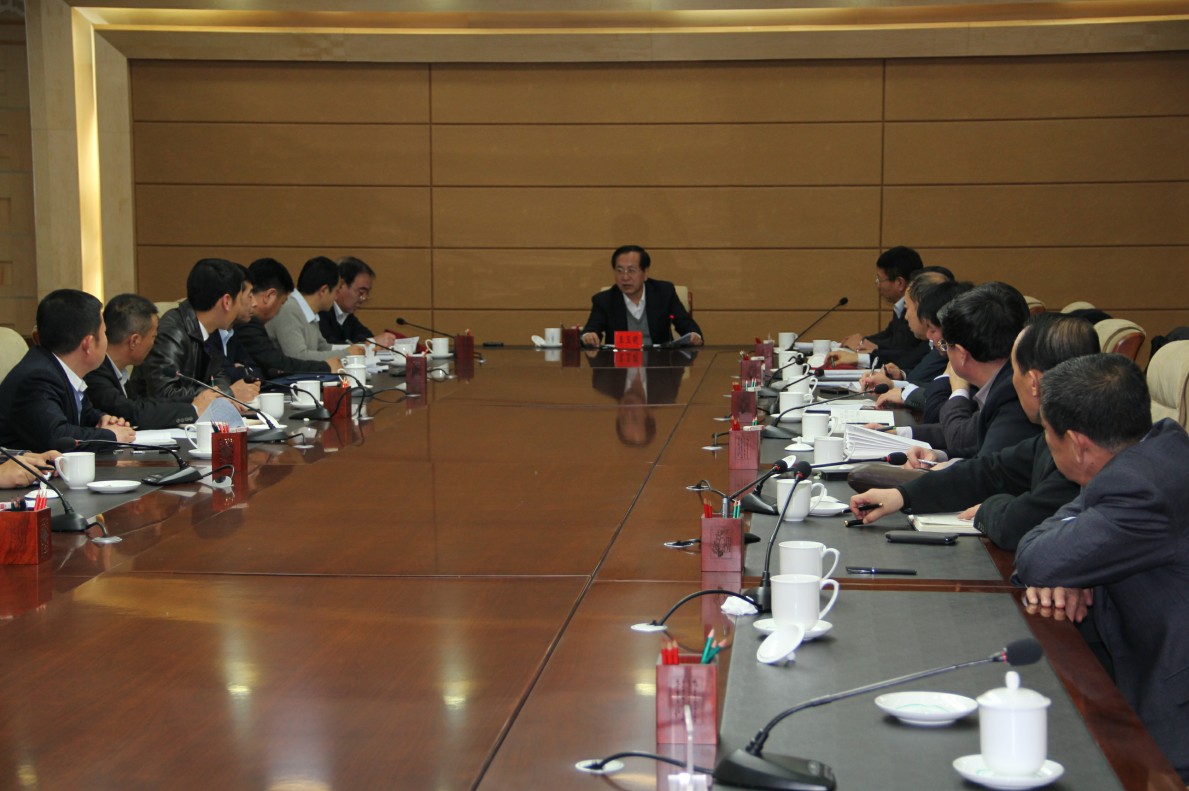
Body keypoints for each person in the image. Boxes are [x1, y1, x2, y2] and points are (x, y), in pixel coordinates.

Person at [1012, 354, 1189, 782]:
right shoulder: (1162, 445)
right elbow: (1062, 541)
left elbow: (1036, 558)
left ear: (1078, 444)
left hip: (1171, 720)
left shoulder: (1140, 490)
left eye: (1049, 436)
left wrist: (1068, 561)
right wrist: (1076, 564)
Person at [849, 313, 1099, 550]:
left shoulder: (1082, 450)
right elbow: (991, 471)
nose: (1011, 380)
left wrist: (989, 508)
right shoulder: (1061, 432)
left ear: (1033, 382)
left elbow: (1017, 523)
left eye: (1014, 370)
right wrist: (902, 495)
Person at [905, 281, 1036, 459]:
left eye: (946, 345)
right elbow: (974, 437)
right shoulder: (1002, 378)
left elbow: (977, 454)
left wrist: (958, 389)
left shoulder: (1011, 392)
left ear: (961, 354)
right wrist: (902, 434)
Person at [0, 290, 135, 451]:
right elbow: (57, 437)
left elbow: (82, 413)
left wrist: (102, 419)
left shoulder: (57, 369)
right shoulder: (37, 378)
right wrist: (111, 436)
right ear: (88, 344)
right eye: (104, 333)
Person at [128, 258, 260, 407]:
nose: (240, 308)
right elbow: (164, 393)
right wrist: (228, 393)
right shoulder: (172, 332)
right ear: (227, 302)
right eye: (240, 299)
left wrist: (224, 394)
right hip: (150, 419)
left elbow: (219, 375)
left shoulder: (211, 328)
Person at [85, 294, 219, 428]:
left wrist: (194, 399)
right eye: (154, 337)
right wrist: (193, 409)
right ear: (134, 341)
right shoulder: (94, 373)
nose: (154, 344)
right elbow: (131, 413)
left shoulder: (116, 371)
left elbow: (143, 404)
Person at [580, 245, 702, 347]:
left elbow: (686, 325)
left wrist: (693, 336)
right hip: (619, 366)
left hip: (659, 364)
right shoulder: (604, 300)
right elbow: (591, 329)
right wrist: (589, 336)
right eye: (619, 271)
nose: (625, 277)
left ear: (645, 273)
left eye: (631, 270)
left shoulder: (664, 293)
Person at [237, 258, 342, 377]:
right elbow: (277, 364)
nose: (253, 304)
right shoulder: (246, 323)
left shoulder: (251, 323)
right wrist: (326, 367)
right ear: (269, 296)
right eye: (248, 297)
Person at [838, 246, 927, 366]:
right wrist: (863, 341)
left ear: (899, 283)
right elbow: (889, 334)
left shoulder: (918, 309)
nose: (878, 285)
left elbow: (902, 345)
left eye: (880, 280)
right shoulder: (901, 305)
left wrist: (869, 345)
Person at [268, 256, 365, 362]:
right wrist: (347, 353)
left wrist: (355, 349)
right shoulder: (288, 310)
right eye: (336, 292)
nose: (336, 298)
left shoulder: (309, 311)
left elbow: (322, 347)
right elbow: (298, 357)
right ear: (323, 291)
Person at [318, 256, 397, 347]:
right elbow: (329, 347)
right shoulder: (321, 312)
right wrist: (369, 343)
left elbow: (366, 335)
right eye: (361, 292)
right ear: (341, 285)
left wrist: (366, 342)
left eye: (367, 293)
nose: (364, 298)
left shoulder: (347, 316)